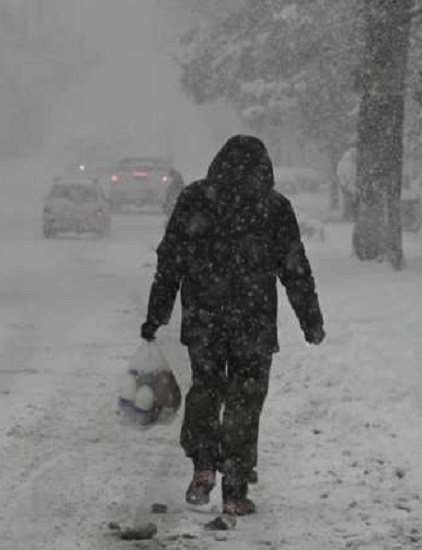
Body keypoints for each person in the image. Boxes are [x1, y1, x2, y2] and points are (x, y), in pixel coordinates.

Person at [140, 135, 325, 516]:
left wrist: (156, 314)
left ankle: (204, 463)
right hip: (253, 322)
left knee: (207, 387)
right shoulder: (273, 207)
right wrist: (310, 319)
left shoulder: (195, 199)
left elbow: (170, 261)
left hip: (204, 317)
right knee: (246, 398)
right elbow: (295, 269)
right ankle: (236, 487)